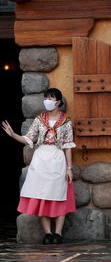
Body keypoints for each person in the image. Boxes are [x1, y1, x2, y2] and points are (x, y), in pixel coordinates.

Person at [2, 88, 76, 243]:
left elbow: (68, 146)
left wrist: (69, 168)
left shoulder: (66, 122)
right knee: (41, 195)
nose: (47, 100)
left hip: (57, 158)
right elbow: (29, 139)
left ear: (58, 102)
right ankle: (48, 233)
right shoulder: (39, 120)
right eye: (46, 97)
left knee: (59, 195)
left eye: (50, 98)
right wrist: (13, 135)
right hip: (41, 158)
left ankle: (58, 233)